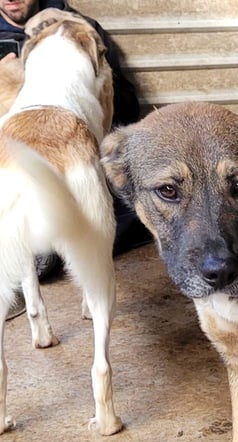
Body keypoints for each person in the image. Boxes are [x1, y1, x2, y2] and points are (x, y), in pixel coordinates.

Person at [1, 0, 150, 289]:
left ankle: (47, 245)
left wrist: (89, 83)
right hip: (13, 161)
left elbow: (128, 105)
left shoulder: (82, 30)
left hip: (74, 153)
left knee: (123, 207)